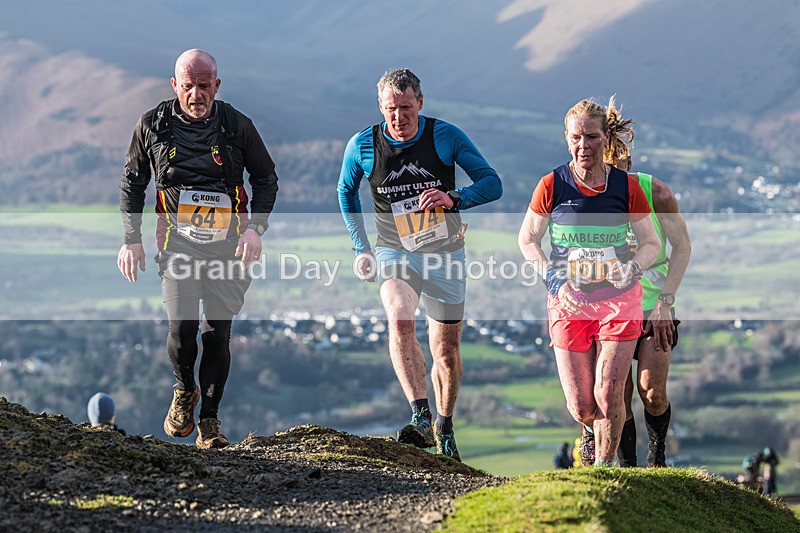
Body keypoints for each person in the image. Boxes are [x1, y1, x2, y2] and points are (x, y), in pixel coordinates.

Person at [338, 68, 502, 462]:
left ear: (420, 103)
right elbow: (346, 191)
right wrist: (361, 247)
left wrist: (454, 198)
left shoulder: (445, 136)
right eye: (391, 109)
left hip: (445, 253)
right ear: (381, 107)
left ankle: (443, 426)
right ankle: (420, 414)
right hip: (394, 251)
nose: (399, 117)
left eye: (407, 108)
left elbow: (492, 183)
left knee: (445, 351)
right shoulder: (363, 145)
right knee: (399, 318)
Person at [118, 49, 279, 449]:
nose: (195, 95)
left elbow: (266, 178)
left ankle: (209, 421)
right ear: (175, 85)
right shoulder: (151, 126)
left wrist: (255, 230)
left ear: (216, 86)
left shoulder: (237, 126)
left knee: (217, 334)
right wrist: (131, 240)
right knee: (183, 328)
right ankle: (183, 389)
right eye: (187, 86)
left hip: (229, 248)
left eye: (203, 86)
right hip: (177, 245)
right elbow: (133, 183)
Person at [518, 98, 660, 467]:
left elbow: (650, 243)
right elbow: (528, 240)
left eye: (592, 137)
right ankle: (588, 432)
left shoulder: (626, 187)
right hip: (569, 302)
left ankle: (602, 471)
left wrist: (632, 270)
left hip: (619, 301)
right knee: (582, 405)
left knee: (610, 392)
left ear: (605, 137)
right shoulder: (551, 184)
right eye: (576, 137)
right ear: (567, 139)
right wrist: (553, 279)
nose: (584, 146)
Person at [606, 107, 692, 468]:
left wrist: (667, 303)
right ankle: (629, 471)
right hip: (610, 308)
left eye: (622, 169)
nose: (617, 180)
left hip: (655, 304)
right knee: (617, 396)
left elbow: (682, 247)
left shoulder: (655, 192)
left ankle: (657, 462)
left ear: (630, 162)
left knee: (652, 392)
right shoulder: (589, 197)